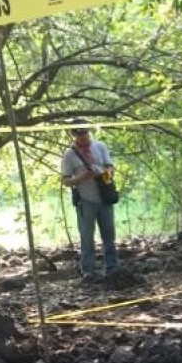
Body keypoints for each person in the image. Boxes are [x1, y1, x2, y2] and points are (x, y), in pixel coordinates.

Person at [60, 119, 119, 281]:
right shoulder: (69, 154)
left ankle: (112, 269)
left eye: (85, 132)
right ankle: (88, 271)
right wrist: (81, 177)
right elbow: (65, 181)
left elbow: (110, 167)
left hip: (104, 198)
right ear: (73, 135)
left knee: (109, 236)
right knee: (87, 238)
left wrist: (103, 174)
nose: (83, 137)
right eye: (79, 134)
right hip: (85, 201)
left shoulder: (100, 146)